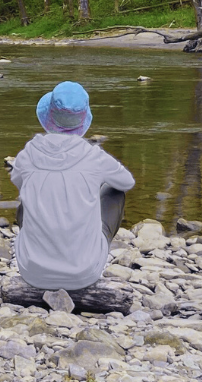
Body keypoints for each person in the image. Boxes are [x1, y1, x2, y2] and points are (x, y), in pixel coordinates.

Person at [10, 81, 134, 290]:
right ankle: (85, 249)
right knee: (114, 191)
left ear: (48, 115)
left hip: (32, 271)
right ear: (83, 119)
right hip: (84, 274)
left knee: (27, 199)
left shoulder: (28, 153)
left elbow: (18, 181)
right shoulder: (94, 156)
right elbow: (127, 182)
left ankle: (43, 252)